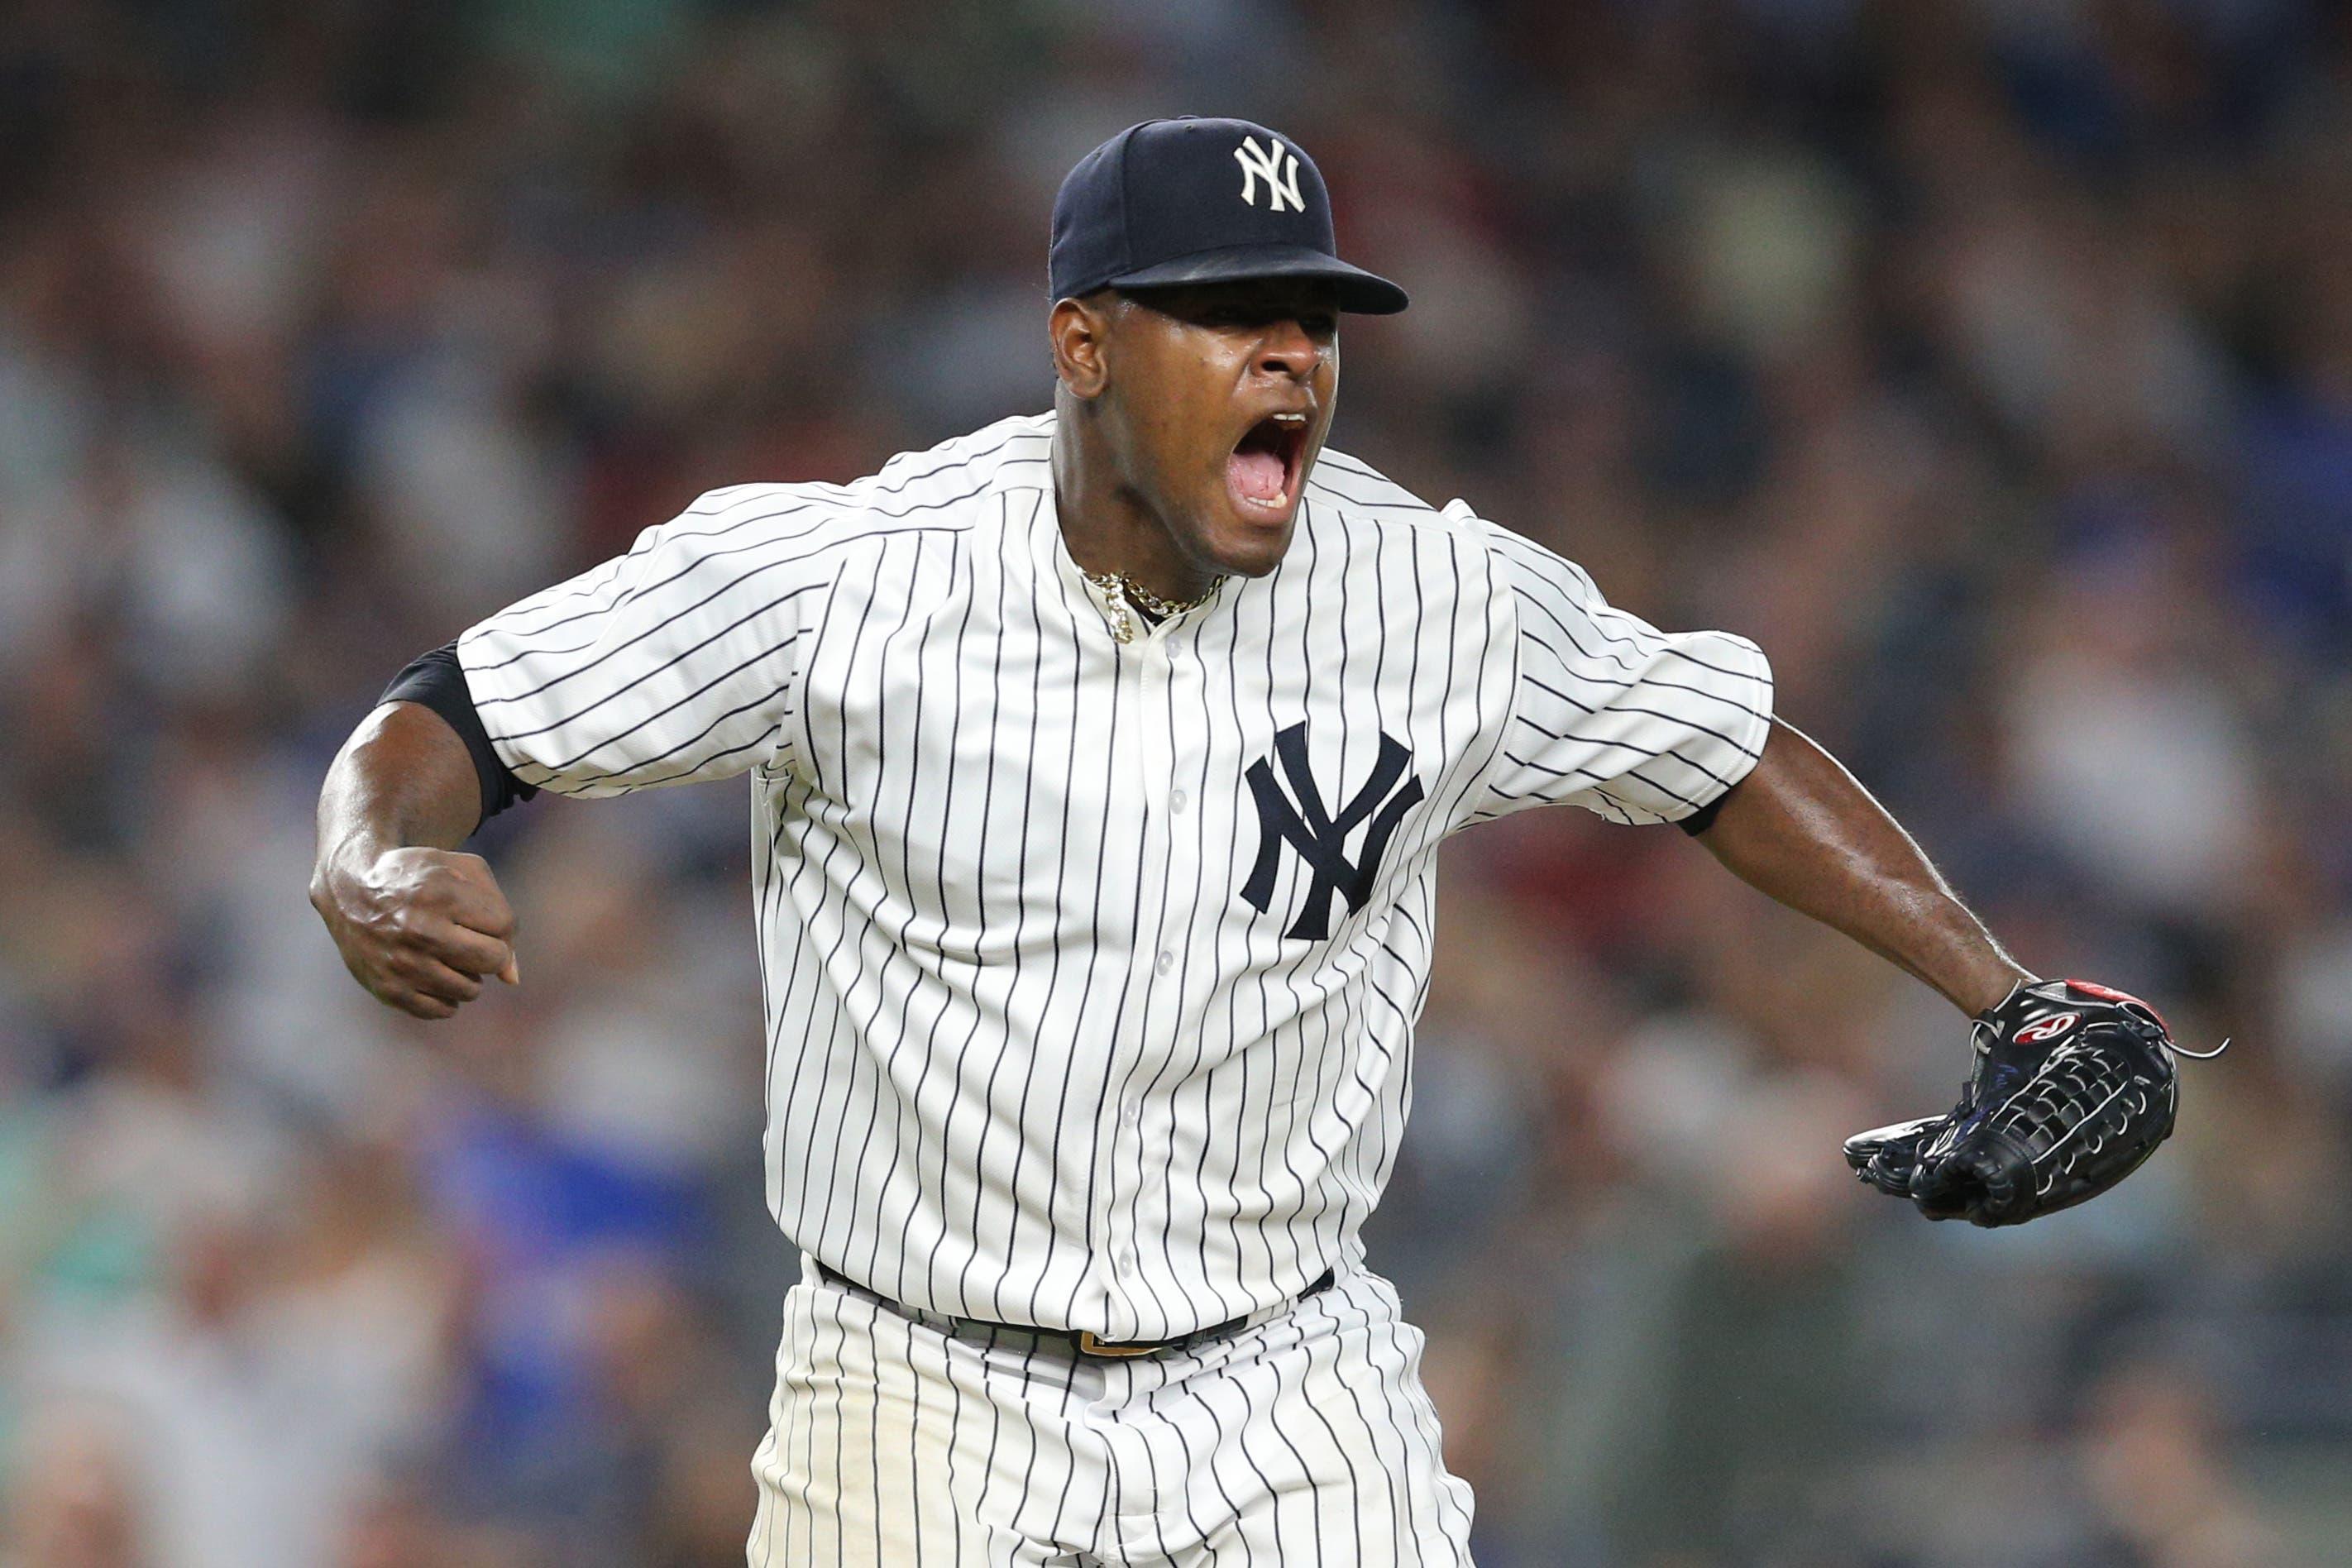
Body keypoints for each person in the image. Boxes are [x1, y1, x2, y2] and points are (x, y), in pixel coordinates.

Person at [310, 117, 2059, 1565]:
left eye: (1314, 315)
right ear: (1085, 343)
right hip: (918, 1388)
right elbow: (451, 715)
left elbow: (1722, 750)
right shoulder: (847, 580)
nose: (1291, 354)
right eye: (1232, 312)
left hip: (1287, 1378)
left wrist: (2011, 999)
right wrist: (369, 855)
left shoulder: (1433, 592)